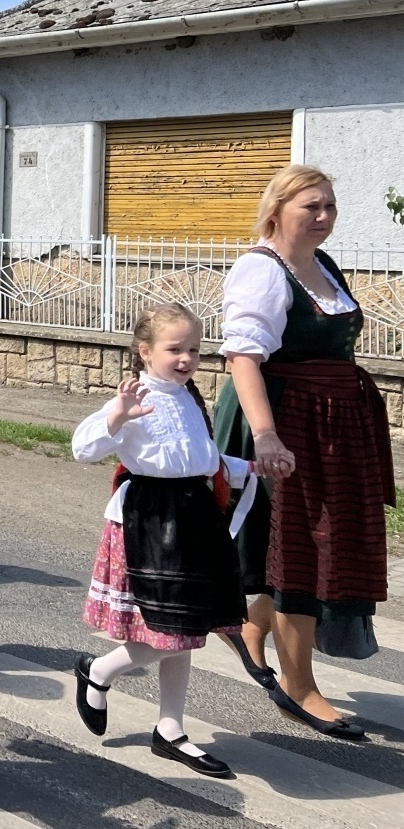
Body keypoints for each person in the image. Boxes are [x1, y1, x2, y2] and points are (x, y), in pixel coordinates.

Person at [213, 164, 392, 740]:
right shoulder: (260, 271)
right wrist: (266, 436)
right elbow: (243, 358)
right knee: (299, 549)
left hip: (330, 428)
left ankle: (252, 628)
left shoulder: (321, 267)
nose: (322, 217)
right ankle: (299, 685)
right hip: (284, 421)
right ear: (276, 211)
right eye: (310, 206)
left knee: (305, 544)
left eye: (330, 207)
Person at [71, 303, 252, 779]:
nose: (187, 358)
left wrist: (249, 468)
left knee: (184, 633)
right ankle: (100, 670)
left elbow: (199, 458)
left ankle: (170, 729)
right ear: (145, 351)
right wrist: (116, 416)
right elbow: (82, 448)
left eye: (194, 349)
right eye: (175, 349)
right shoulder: (135, 397)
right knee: (175, 631)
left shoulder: (189, 395)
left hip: (192, 518)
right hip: (149, 521)